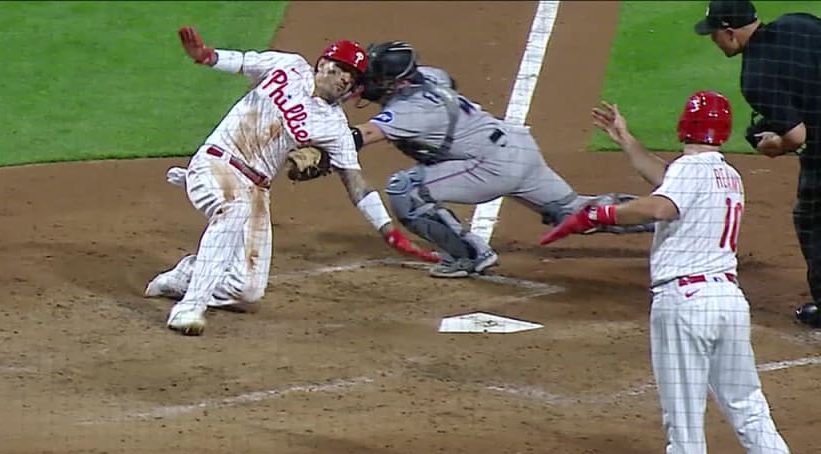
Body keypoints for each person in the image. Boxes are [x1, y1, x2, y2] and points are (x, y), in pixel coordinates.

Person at [542, 91, 821, 454]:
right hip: (728, 302)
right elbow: (667, 183)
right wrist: (627, 142)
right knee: (753, 416)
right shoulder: (728, 174)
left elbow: (659, 207)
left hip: (683, 305)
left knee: (685, 425)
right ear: (724, 131)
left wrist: (602, 214)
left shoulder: (687, 176)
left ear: (683, 128)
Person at [145, 27, 437, 336]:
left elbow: (356, 184)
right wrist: (207, 57)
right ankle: (190, 306)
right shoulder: (290, 66)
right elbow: (245, 62)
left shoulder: (335, 127)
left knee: (247, 292)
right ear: (323, 63)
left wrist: (390, 232)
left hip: (256, 188)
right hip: (217, 161)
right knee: (234, 209)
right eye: (340, 69)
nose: (343, 78)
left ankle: (188, 274)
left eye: (350, 77)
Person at [348, 41, 652, 279]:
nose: (369, 84)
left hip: (489, 166)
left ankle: (470, 255)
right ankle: (667, 214)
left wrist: (319, 144)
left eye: (377, 79)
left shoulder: (408, 111)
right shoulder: (429, 76)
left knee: (406, 189)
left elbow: (360, 137)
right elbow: (448, 80)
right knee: (574, 212)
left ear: (398, 83)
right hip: (517, 147)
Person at [695, 0, 821, 328]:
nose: (713, 40)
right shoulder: (800, 22)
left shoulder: (756, 74)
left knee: (812, 219)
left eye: (714, 34)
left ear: (730, 33)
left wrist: (773, 145)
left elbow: (795, 136)